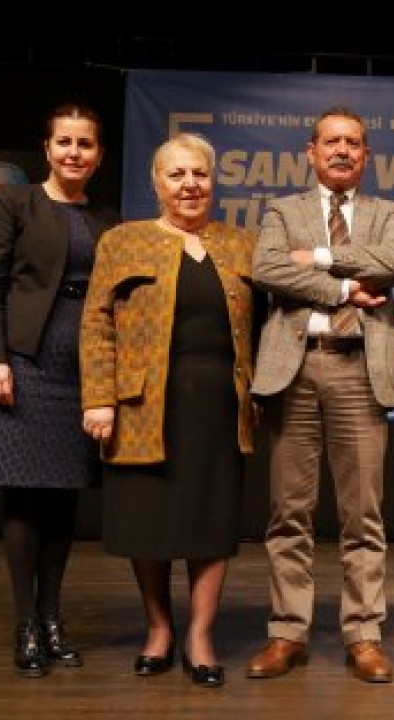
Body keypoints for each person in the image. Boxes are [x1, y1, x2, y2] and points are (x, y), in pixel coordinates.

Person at [79, 132, 259, 689]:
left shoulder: (242, 243)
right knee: (148, 522)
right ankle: (158, 629)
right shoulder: (122, 241)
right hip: (142, 406)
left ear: (213, 182)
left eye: (199, 173)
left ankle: (200, 636)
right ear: (156, 182)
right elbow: (96, 323)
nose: (189, 184)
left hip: (219, 407)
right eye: (177, 174)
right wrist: (99, 398)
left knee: (211, 522)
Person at [246, 106, 394, 684]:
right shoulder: (281, 210)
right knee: (288, 512)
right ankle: (287, 632)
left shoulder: (388, 213)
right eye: (332, 141)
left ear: (366, 155)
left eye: (353, 143)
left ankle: (364, 634)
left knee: (362, 514)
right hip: (294, 371)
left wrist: (316, 257)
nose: (342, 150)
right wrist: (343, 288)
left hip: (359, 370)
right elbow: (267, 268)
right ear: (311, 152)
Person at [0, 102, 121, 678]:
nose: (74, 152)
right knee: (23, 497)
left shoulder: (108, 219)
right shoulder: (16, 203)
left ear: (99, 155)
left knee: (63, 498)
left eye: (85, 144)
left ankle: (54, 618)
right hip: (25, 364)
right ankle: (26, 623)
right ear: (47, 149)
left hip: (86, 371)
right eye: (65, 142)